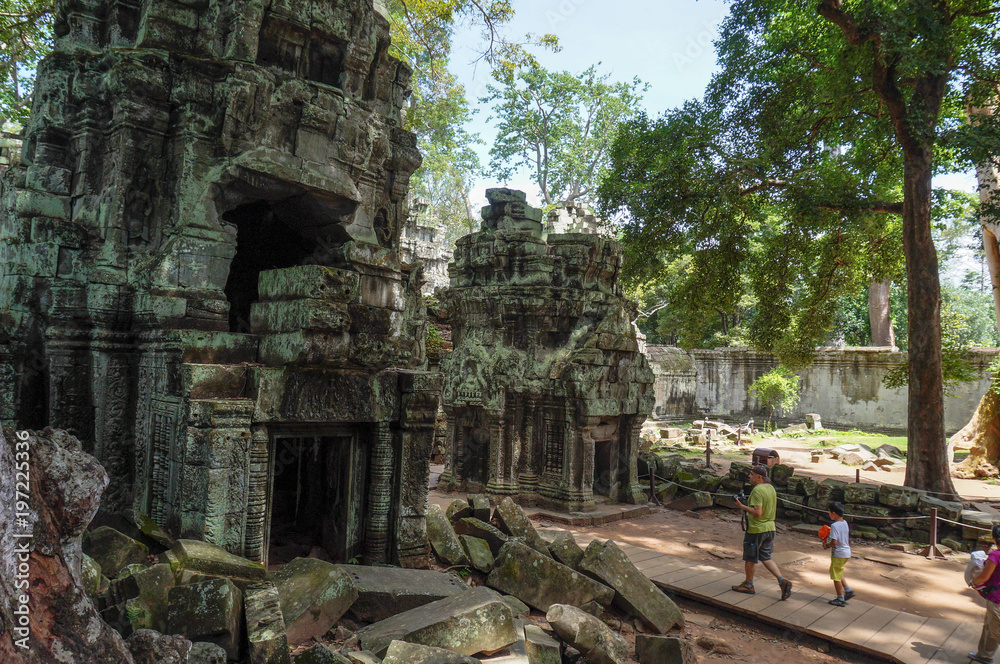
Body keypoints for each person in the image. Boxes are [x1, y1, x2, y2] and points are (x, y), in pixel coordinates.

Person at [731, 464, 793, 599]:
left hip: (756, 530)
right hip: (770, 528)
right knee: (765, 556)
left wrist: (742, 506)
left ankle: (748, 585)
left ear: (759, 477)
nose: (749, 476)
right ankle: (782, 580)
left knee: (750, 558)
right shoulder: (770, 488)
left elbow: (758, 512)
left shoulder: (757, 490)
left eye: (751, 474)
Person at [969, 525, 1000, 664]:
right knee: (989, 626)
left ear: (994, 538)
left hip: (997, 599)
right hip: (994, 598)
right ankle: (984, 655)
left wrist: (973, 581)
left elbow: (984, 577)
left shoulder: (995, 556)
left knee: (996, 630)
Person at [822, 502, 855, 606]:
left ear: (834, 513)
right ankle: (848, 590)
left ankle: (840, 598)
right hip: (846, 552)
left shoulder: (834, 525)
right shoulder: (844, 522)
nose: (829, 514)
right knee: (838, 572)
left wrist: (827, 545)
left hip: (839, 553)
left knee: (835, 576)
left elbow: (834, 542)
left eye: (829, 512)